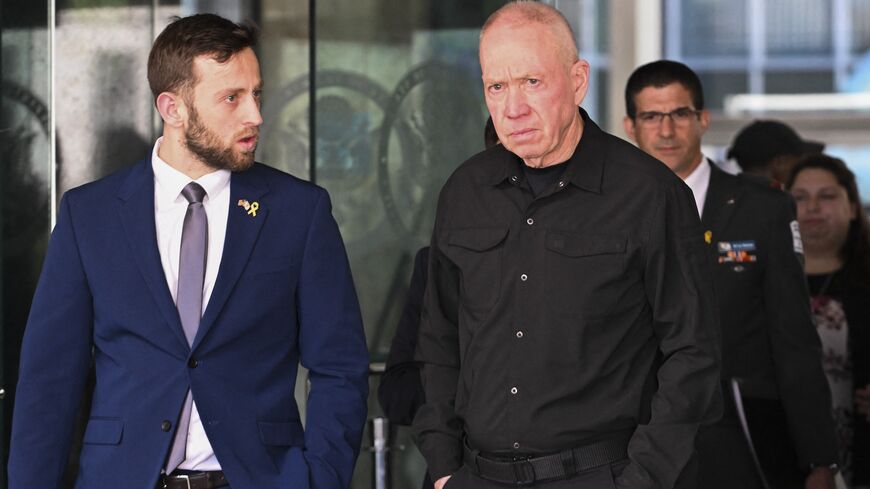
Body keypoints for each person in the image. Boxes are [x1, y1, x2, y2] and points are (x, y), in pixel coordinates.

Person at [8, 14, 369, 489]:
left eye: (256, 93)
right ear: (172, 108)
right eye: (231, 98)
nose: (255, 115)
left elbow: (340, 368)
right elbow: (48, 382)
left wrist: (318, 480)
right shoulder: (88, 216)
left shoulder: (299, 212)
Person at [413, 3, 722, 489]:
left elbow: (693, 354)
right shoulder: (464, 192)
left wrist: (643, 479)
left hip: (603, 474)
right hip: (476, 476)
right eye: (497, 86)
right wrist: (443, 466)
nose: (512, 108)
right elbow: (439, 340)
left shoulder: (650, 195)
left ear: (578, 80)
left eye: (532, 82)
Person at [623, 59, 839, 489]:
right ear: (630, 126)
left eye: (679, 114)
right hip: (637, 443)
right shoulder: (609, 214)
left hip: (743, 435)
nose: (666, 131)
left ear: (703, 119)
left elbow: (794, 339)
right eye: (651, 116)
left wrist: (820, 457)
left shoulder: (762, 208)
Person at [787, 154, 870, 487]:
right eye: (800, 198)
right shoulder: (759, 286)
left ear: (852, 207)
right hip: (780, 463)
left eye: (827, 196)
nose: (812, 208)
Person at [727, 119, 824, 185]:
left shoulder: (727, 203)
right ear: (779, 163)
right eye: (798, 162)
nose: (802, 169)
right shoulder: (777, 210)